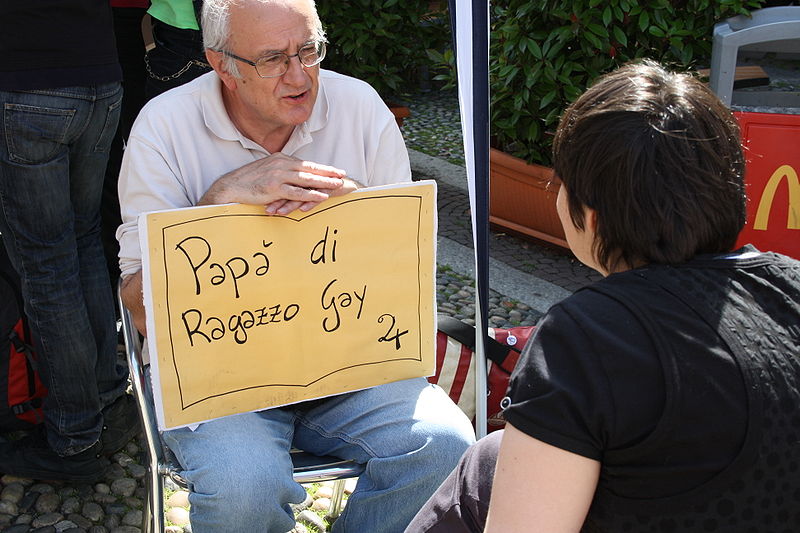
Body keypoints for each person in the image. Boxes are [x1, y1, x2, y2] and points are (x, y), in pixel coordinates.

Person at [116, 0, 475, 531]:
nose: (300, 74)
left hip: (349, 362)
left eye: (309, 50)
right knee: (244, 486)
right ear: (222, 65)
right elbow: (139, 307)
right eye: (274, 58)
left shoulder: (359, 106)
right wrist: (219, 204)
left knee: (444, 445)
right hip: (221, 377)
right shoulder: (165, 125)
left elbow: (409, 273)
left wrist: (361, 217)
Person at [405, 60, 800, 533]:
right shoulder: (788, 286)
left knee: (483, 471)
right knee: (491, 457)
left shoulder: (587, 338)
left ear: (589, 216)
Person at [0, 1, 141, 482]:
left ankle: (75, 434)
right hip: (98, 77)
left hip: (26, 80)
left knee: (48, 266)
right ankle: (105, 401)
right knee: (79, 248)